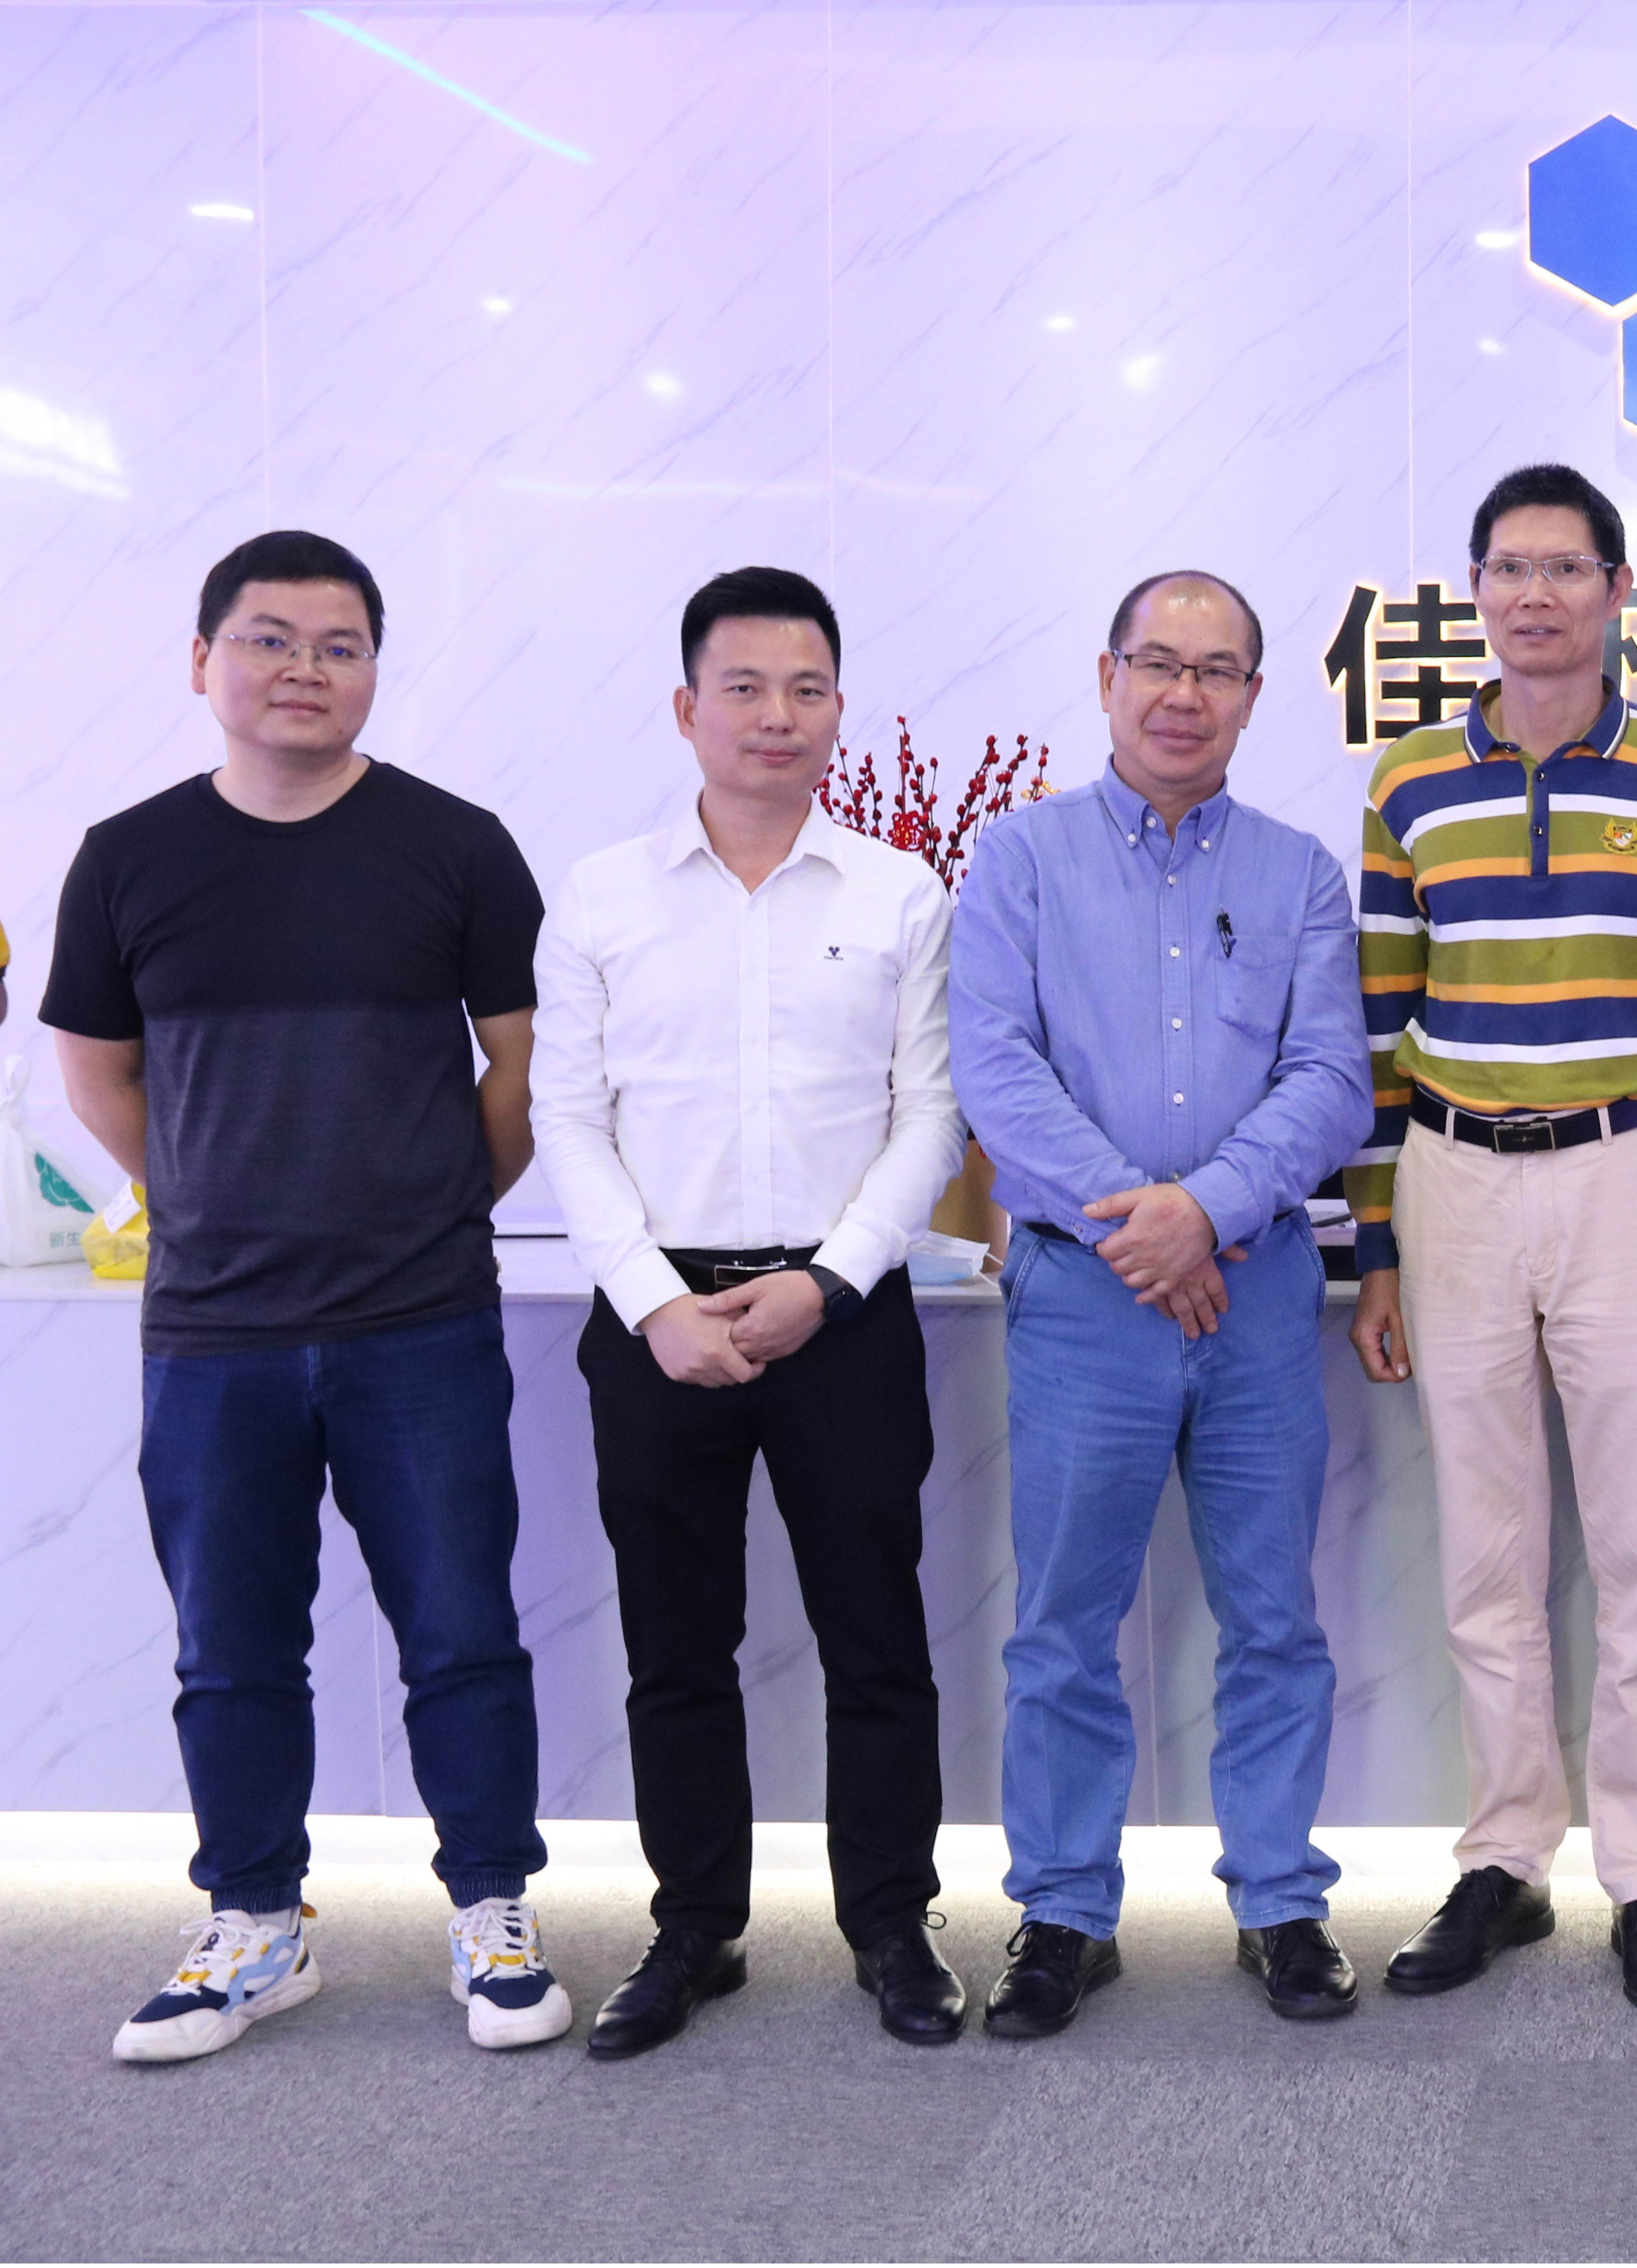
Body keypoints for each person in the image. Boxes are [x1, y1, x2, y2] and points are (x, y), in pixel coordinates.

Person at [47, 529, 571, 2063]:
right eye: (269, 639)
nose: (304, 670)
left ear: (374, 670)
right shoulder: (128, 855)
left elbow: (523, 1065)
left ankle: (493, 1910)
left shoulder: (457, 845)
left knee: (462, 1631)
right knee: (229, 1647)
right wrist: (213, 1196)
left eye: (340, 645)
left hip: (422, 1320)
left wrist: (432, 1201)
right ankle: (255, 1923)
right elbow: (100, 1074)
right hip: (215, 1332)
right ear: (202, 661)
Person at [1345, 463, 1637, 2017]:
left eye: (1565, 569)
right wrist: (1375, 1245)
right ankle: (1505, 1857)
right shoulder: (1409, 781)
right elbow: (1378, 1028)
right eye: (1508, 570)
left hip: (1632, 1174)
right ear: (1473, 592)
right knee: (1487, 1550)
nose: (1535, 595)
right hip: (1453, 1177)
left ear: (1615, 592)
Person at [531, 567, 968, 2056]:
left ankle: (892, 1922)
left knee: (876, 1635)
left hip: (841, 1315)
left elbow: (929, 1113)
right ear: (686, 708)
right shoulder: (601, 895)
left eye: (806, 689)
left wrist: (829, 1280)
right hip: (657, 1321)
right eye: (744, 687)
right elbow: (567, 1117)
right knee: (676, 1645)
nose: (776, 716)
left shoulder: (899, 893)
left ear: (839, 708)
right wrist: (657, 1304)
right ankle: (694, 1926)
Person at [950, 570, 1373, 2037]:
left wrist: (1209, 1210)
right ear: (1107, 676)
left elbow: (1333, 1078)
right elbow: (994, 1068)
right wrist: (1144, 1220)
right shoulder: (1020, 859)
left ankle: (1281, 1901)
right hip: (1085, 1295)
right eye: (1158, 663)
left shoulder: (1299, 873)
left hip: (1254, 1295)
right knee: (1064, 1623)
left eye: (1217, 669)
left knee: (1274, 1616)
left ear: (1253, 695)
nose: (1183, 694)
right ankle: (1063, 1910)